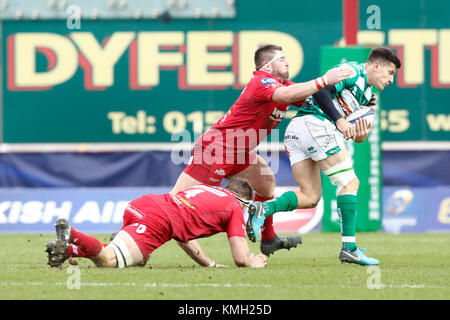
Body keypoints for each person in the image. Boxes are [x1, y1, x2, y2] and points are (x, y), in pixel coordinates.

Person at [170, 44, 354, 257]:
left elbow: (315, 100)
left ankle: (269, 239)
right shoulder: (262, 81)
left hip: (240, 152)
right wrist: (323, 80)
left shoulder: (285, 85)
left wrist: (352, 110)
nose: (287, 62)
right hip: (215, 150)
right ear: (267, 66)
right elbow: (286, 95)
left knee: (266, 184)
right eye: (282, 58)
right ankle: (140, 233)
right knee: (176, 205)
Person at [246, 47, 402, 265]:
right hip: (314, 124)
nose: (391, 79)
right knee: (350, 182)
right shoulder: (351, 71)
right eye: (391, 72)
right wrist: (339, 120)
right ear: (376, 65)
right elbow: (320, 92)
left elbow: (358, 137)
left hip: (298, 131)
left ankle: (264, 208)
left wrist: (360, 135)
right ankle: (349, 248)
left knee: (311, 197)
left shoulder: (368, 97)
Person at [45, 178, 267, 269]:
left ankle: (69, 249)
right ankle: (71, 233)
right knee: (107, 261)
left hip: (145, 204)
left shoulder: (208, 190)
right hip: (159, 220)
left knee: (132, 259)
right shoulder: (234, 206)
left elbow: (184, 237)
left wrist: (210, 265)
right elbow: (240, 258)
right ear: (243, 200)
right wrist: (251, 262)